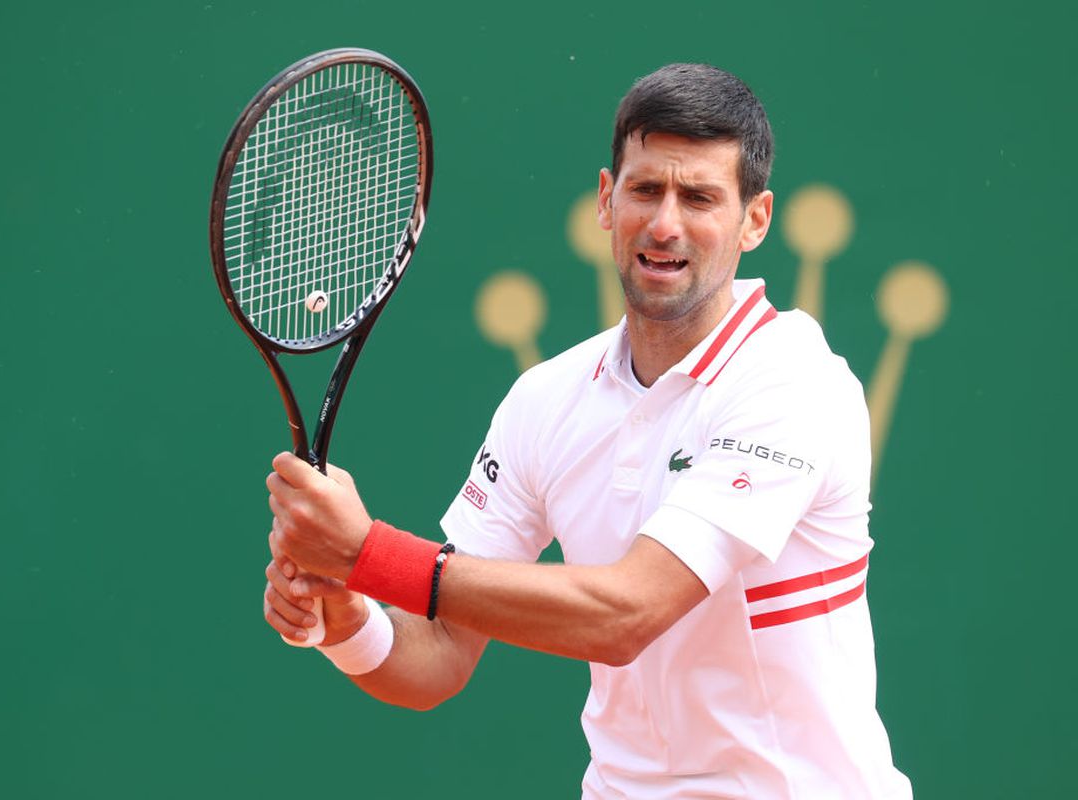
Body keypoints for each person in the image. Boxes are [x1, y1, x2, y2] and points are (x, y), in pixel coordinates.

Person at [263, 63, 912, 799]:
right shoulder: (545, 400)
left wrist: (366, 554)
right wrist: (346, 610)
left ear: (754, 220)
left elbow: (628, 614)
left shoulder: (794, 381)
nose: (665, 224)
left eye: (699, 197)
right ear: (607, 200)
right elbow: (435, 659)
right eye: (645, 190)